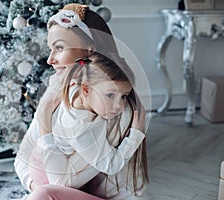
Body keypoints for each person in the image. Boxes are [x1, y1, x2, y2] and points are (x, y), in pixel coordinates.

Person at [14, 3, 148, 199]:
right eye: (51, 49)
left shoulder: (113, 108)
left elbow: (61, 182)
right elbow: (22, 159)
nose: (50, 59)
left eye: (59, 48)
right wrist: (35, 185)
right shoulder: (58, 89)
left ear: (90, 51)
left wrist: (43, 117)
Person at [26, 52, 148, 200]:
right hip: (47, 174)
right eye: (110, 95)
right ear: (85, 89)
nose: (120, 106)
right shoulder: (81, 129)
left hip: (45, 168)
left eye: (123, 96)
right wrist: (136, 135)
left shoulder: (78, 94)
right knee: (43, 195)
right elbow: (111, 165)